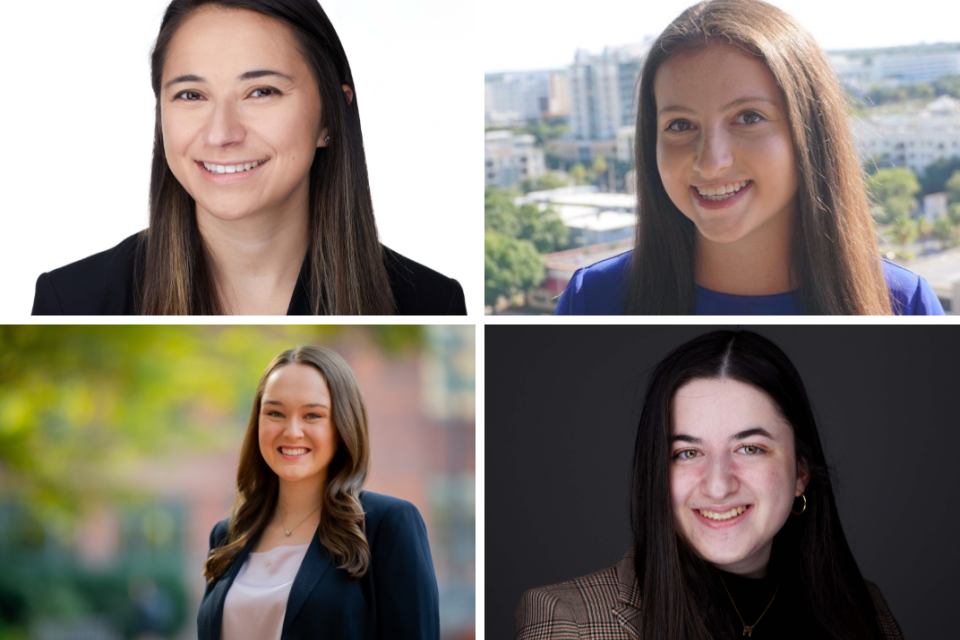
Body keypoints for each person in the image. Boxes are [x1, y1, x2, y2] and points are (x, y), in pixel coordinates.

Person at [32, 0, 466, 316]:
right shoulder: (72, 300)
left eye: (261, 92)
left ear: (330, 116)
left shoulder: (430, 302)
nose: (221, 133)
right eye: (191, 94)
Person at [555, 0, 942, 315]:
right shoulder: (593, 301)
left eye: (748, 118)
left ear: (810, 132)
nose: (711, 161)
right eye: (679, 125)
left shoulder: (902, 305)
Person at [515, 330, 903, 639]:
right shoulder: (567, 622)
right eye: (687, 453)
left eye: (750, 448)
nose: (718, 486)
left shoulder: (866, 610)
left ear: (801, 472)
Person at [198, 345, 439, 639]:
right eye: (275, 413)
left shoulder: (386, 525)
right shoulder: (227, 536)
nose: (292, 432)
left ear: (342, 425)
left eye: (312, 415)